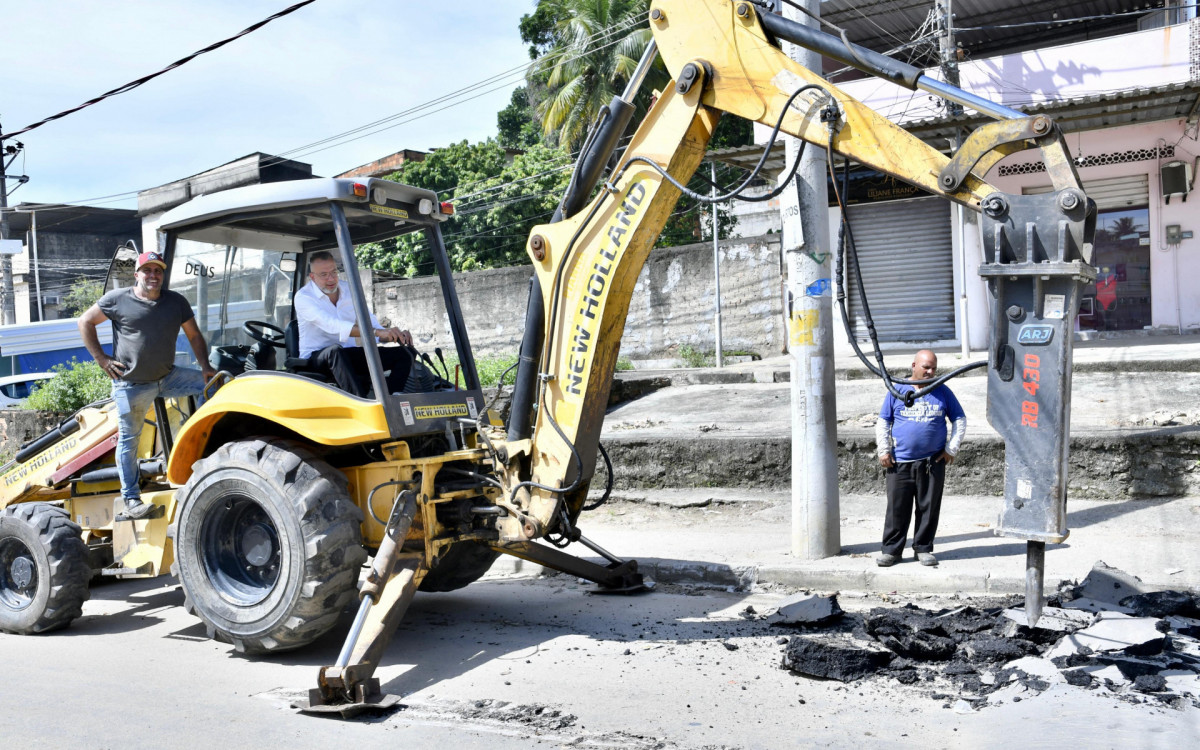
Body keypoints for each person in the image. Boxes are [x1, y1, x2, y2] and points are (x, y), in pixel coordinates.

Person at [79, 249, 216, 520]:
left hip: (168, 377)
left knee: (213, 385)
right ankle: (131, 500)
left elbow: (194, 334)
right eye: (148, 270)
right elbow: (84, 321)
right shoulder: (118, 299)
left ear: (163, 275)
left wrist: (205, 367)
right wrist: (102, 359)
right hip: (131, 385)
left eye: (158, 271)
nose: (153, 275)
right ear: (137, 274)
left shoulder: (176, 302)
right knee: (129, 440)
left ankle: (191, 446)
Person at [875, 350, 966, 568]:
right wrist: (883, 450)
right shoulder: (896, 390)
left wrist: (951, 449)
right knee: (897, 509)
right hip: (900, 463)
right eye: (926, 367)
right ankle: (891, 551)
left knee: (928, 507)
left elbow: (959, 419)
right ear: (913, 365)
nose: (930, 371)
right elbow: (883, 421)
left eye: (933, 367)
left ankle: (923, 548)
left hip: (931, 463)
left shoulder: (942, 391)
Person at [295, 251, 413, 397]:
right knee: (334, 351)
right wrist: (376, 332)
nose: (331, 279)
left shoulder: (348, 290)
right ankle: (360, 403)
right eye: (324, 275)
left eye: (334, 272)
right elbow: (331, 325)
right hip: (316, 358)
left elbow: (368, 320)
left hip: (347, 354)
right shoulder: (303, 297)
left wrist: (389, 335)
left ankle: (389, 401)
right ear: (312, 277)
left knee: (405, 355)